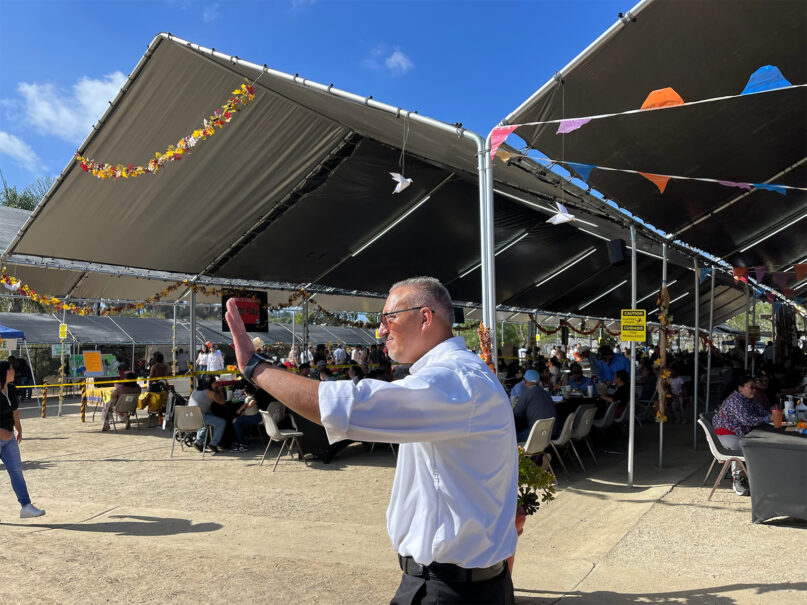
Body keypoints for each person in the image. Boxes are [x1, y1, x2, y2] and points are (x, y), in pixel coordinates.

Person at [226, 276, 517, 604]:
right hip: (460, 584)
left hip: (448, 590)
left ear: (425, 317)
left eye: (389, 318)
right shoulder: (462, 375)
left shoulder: (452, 380)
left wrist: (255, 368)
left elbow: (342, 406)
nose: (381, 330)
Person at [712, 373, 772, 496]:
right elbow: (747, 420)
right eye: (751, 387)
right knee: (743, 447)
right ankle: (738, 478)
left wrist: (770, 415)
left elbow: (762, 412)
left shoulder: (750, 399)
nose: (754, 390)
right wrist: (768, 418)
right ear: (740, 388)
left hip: (741, 432)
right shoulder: (735, 400)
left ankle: (759, 476)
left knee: (759, 443)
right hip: (726, 433)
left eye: (754, 387)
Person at [0, 360, 46, 519]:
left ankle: (26, 506)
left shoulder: (11, 389)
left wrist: (19, 429)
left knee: (16, 471)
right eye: (11, 370)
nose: (14, 372)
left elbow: (15, 411)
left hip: (9, 439)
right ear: (4, 373)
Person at [512, 369, 559, 441]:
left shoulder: (526, 393)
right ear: (538, 382)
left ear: (525, 381)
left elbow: (516, 412)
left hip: (538, 434)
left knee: (513, 440)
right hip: (553, 432)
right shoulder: (547, 393)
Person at [188, 375, 227, 453]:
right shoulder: (210, 392)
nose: (216, 384)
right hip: (200, 416)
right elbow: (222, 402)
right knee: (222, 422)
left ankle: (198, 442)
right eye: (215, 383)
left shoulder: (196, 389)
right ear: (210, 384)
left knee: (209, 418)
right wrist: (220, 390)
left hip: (189, 416)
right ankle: (213, 444)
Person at [231, 382, 262, 452]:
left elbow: (247, 406)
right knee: (240, 424)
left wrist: (239, 411)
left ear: (246, 392)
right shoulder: (254, 395)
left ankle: (241, 444)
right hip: (257, 416)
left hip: (254, 417)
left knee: (235, 422)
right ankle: (241, 442)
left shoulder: (249, 398)